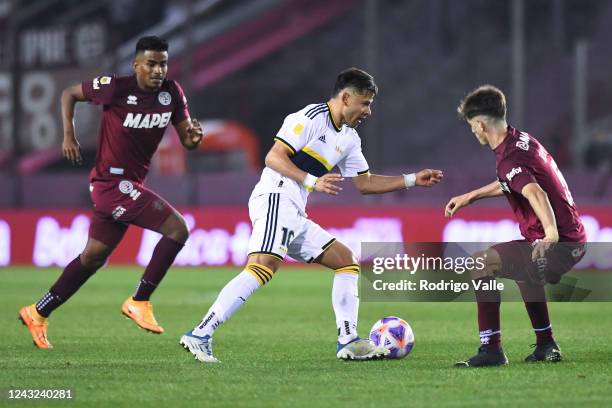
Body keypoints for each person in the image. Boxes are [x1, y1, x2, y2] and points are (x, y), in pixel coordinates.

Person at [179, 68, 443, 363]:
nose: (368, 111)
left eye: (370, 104)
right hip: (276, 196)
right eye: (364, 103)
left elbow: (365, 184)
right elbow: (273, 157)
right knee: (263, 265)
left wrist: (411, 179)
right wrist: (312, 181)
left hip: (294, 208)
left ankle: (348, 340)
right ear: (345, 97)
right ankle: (200, 334)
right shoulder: (310, 117)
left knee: (346, 261)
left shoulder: (350, 139)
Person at [19, 36, 204, 349]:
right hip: (111, 184)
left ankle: (37, 312)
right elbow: (69, 93)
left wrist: (195, 138)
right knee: (177, 228)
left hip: (131, 184)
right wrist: (69, 136)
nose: (158, 69)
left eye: (163, 63)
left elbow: (187, 138)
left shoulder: (171, 92)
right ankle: (139, 300)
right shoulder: (116, 87)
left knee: (92, 257)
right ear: (136, 65)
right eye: (151, 63)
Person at [445, 85, 587, 367]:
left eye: (472, 126)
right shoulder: (521, 141)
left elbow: (535, 192)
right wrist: (470, 196)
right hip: (573, 238)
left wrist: (551, 234)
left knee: (480, 264)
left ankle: (491, 350)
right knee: (526, 271)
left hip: (559, 241)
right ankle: (546, 345)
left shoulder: (510, 157)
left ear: (481, 124)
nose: (473, 132)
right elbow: (513, 181)